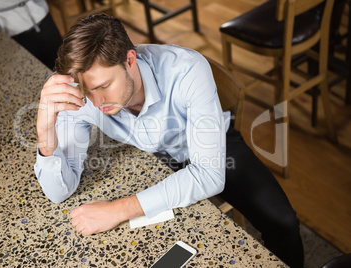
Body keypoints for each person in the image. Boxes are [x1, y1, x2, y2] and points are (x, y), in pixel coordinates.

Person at [34, 14, 304, 267]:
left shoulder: (187, 69)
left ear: (130, 60)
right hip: (151, 157)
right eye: (87, 91)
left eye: (104, 87)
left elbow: (208, 176)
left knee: (284, 223)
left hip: (207, 144)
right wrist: (45, 126)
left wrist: (117, 210)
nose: (96, 102)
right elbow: (60, 192)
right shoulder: (78, 93)